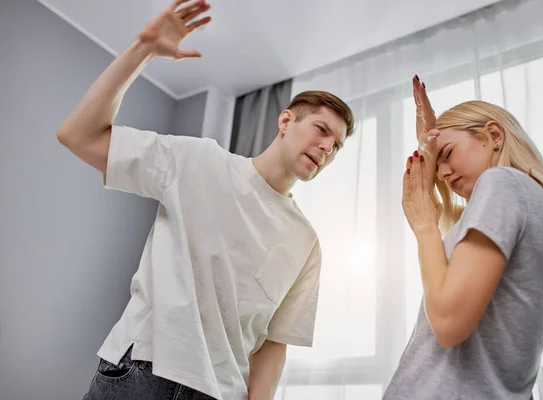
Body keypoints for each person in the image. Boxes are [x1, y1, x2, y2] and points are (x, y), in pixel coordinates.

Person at [56, 1, 354, 399]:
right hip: (141, 371)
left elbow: (274, 343)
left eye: (336, 146)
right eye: (321, 130)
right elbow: (79, 135)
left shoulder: (307, 241)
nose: (327, 148)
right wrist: (141, 50)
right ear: (286, 121)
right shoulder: (200, 161)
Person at [383, 76, 543, 399]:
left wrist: (424, 228)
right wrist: (429, 150)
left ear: (493, 135)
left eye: (448, 153)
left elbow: (448, 323)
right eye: (438, 167)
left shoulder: (502, 183)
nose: (443, 174)